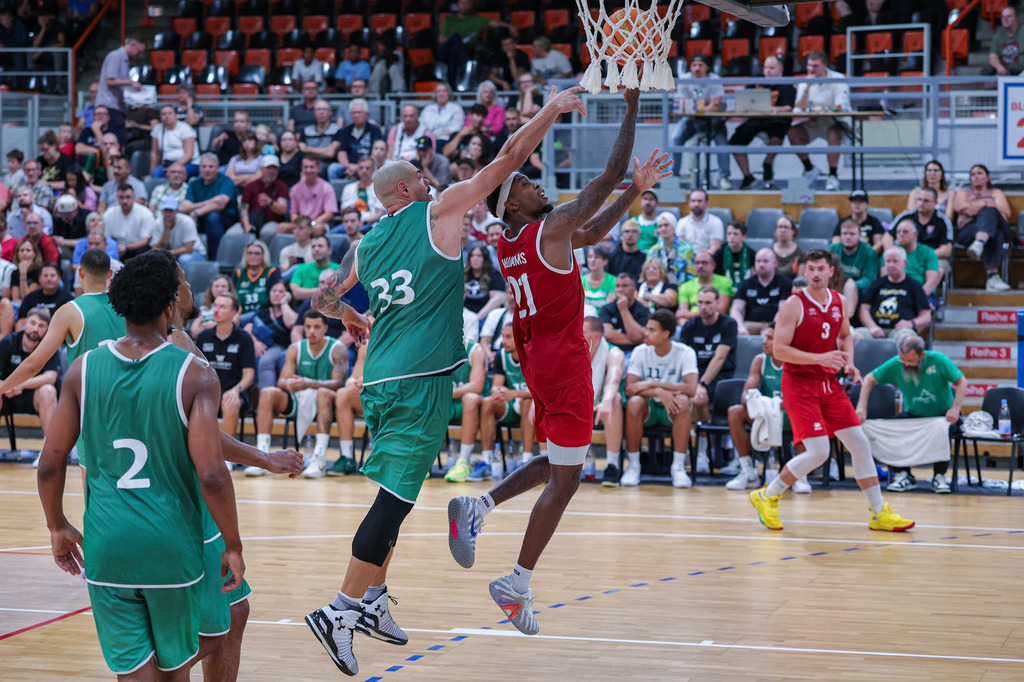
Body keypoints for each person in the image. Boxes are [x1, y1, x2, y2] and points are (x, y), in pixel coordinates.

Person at [304, 85, 587, 672]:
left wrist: (354, 316)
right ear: (405, 189)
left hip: (380, 378)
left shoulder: (366, 241)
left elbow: (324, 297)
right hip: (418, 379)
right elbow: (510, 157)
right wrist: (551, 112)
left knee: (395, 499)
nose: (430, 178)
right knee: (393, 504)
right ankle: (340, 609)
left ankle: (375, 597)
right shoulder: (438, 211)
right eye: (421, 174)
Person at [446, 89, 671, 635]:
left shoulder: (513, 240)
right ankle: (515, 583)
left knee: (557, 460)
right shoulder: (548, 227)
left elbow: (591, 230)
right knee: (569, 479)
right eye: (524, 183)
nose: (535, 183)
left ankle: (481, 508)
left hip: (536, 356)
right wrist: (634, 105)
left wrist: (634, 193)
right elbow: (608, 172)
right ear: (513, 205)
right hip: (563, 359)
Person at [37, 251, 246, 679]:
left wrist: (57, 526)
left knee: (134, 671)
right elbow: (210, 473)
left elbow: (49, 465)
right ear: (170, 303)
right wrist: (233, 544)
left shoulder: (82, 369)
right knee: (178, 663)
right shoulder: (194, 373)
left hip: (107, 545)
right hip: (170, 544)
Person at [749, 249, 914, 532]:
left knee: (860, 443)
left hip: (829, 384)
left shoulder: (840, 301)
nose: (815, 274)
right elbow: (779, 350)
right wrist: (820, 358)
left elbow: (845, 336)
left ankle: (878, 512)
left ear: (830, 271)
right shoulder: (793, 304)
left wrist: (849, 362)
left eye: (820, 269)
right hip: (799, 384)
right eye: (810, 269)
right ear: (804, 271)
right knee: (819, 452)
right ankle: (768, 494)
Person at [857, 334, 967, 495]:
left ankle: (939, 476)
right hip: (914, 414)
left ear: (922, 355)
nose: (906, 364)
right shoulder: (897, 363)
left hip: (942, 415)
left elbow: (962, 382)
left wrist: (955, 409)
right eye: (903, 360)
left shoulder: (938, 360)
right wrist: (861, 407)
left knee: (942, 428)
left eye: (910, 360)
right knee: (892, 427)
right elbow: (868, 380)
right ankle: (903, 474)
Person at [249, 310, 346, 478]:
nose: (312, 331)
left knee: (323, 392)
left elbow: (338, 383)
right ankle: (262, 457)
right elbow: (281, 381)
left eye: (316, 327)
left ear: (326, 328)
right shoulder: (295, 348)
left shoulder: (338, 348)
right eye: (308, 327)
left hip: (327, 402)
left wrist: (309, 383)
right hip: (299, 398)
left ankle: (319, 458)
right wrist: (290, 383)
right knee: (267, 393)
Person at [723, 322, 811, 492]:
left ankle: (801, 475)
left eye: (770, 338)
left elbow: (802, 398)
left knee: (805, 414)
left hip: (789, 416)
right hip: (766, 414)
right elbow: (745, 397)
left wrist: (777, 406)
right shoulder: (760, 361)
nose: (764, 342)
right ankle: (748, 471)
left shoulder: (799, 362)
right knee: (735, 412)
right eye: (765, 337)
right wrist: (761, 403)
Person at [621, 309, 698, 488]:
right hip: (648, 409)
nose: (646, 333)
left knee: (684, 401)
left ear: (666, 334)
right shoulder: (640, 351)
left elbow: (691, 388)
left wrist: (654, 384)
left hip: (672, 410)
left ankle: (678, 467)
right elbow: (630, 388)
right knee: (634, 402)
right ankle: (633, 465)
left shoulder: (685, 352)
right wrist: (658, 392)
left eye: (652, 330)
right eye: (647, 329)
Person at [680, 285, 738, 472]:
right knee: (697, 399)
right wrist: (696, 385)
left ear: (718, 303)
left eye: (708, 303)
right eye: (700, 303)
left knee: (701, 395)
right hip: (695, 375)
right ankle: (703, 454)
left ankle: (725, 453)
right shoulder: (690, 326)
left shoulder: (728, 324)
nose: (703, 307)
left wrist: (702, 384)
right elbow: (684, 358)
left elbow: (719, 358)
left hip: (722, 377)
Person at [787, 51, 851, 192]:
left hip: (837, 122)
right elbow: (798, 109)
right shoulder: (805, 82)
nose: (811, 69)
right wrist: (807, 88)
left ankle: (833, 176)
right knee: (793, 132)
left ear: (824, 66)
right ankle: (810, 169)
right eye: (809, 66)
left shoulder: (838, 78)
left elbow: (841, 107)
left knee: (834, 134)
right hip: (815, 122)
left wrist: (822, 110)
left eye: (815, 66)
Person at [731, 56, 796, 189]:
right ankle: (747, 177)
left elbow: (788, 108)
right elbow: (744, 101)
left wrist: (773, 109)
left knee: (777, 136)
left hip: (775, 120)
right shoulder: (756, 81)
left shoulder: (787, 85)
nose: (768, 71)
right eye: (766, 67)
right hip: (755, 119)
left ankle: (767, 165)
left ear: (780, 69)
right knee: (735, 142)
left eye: (772, 68)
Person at [196, 293, 255, 440]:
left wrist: (236, 390)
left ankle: (227, 460)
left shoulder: (244, 338)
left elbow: (249, 374)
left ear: (233, 313)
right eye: (215, 306)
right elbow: (195, 371)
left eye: (222, 307)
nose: (216, 310)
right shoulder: (203, 337)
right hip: (208, 391)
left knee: (229, 402)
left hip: (234, 391)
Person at [0, 306, 59, 452]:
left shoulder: (49, 346)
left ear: (46, 329)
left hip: (32, 396)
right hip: (6, 396)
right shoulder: (8, 341)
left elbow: (51, 376)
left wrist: (22, 384)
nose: (35, 329)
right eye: (32, 323)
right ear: (25, 323)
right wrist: (6, 387)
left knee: (48, 390)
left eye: (41, 326)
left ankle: (49, 452)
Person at [671, 54, 731, 190]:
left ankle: (724, 178)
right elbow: (682, 104)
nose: (697, 68)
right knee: (675, 139)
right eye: (694, 65)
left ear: (707, 67)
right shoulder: (684, 80)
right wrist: (702, 108)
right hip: (691, 119)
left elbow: (716, 105)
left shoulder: (714, 80)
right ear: (690, 67)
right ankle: (673, 177)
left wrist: (696, 108)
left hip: (712, 119)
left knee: (722, 143)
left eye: (700, 65)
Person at [951, 163, 1013, 292]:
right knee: (995, 233)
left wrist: (982, 207)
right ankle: (993, 278)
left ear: (987, 178)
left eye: (979, 173)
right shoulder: (963, 193)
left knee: (990, 212)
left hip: (1004, 236)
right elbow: (960, 207)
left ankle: (979, 243)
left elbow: (1006, 213)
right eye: (972, 174)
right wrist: (986, 204)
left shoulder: (996, 192)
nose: (975, 177)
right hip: (967, 233)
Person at [857, 247, 931, 341]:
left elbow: (926, 316)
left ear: (904, 263)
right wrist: (872, 326)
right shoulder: (876, 284)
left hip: (899, 330)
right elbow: (864, 309)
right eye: (888, 261)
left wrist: (911, 323)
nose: (891, 265)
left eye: (895, 261)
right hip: (876, 329)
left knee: (906, 338)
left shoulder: (914, 286)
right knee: (855, 336)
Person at [440, 339, 488, 483]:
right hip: (448, 402)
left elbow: (477, 386)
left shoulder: (475, 351)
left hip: (469, 403)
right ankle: (422, 462)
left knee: (470, 398)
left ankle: (463, 461)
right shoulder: (437, 348)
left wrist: (451, 392)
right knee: (425, 400)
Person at [179, 153, 237, 260]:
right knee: (181, 218)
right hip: (200, 219)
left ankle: (215, 259)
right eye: (204, 166)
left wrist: (196, 212)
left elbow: (219, 205)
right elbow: (184, 208)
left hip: (225, 219)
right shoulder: (194, 184)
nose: (207, 170)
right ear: (199, 169)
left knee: (213, 217)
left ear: (217, 169)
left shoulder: (225, 181)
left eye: (211, 167)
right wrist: (209, 201)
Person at [730, 248, 793, 336]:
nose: (761, 265)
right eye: (758, 261)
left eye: (765, 261)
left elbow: (783, 310)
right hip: (750, 324)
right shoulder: (746, 283)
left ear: (775, 263)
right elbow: (736, 309)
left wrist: (772, 328)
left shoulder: (785, 283)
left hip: (773, 324)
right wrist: (740, 326)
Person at [95, 37, 146, 135]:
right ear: (132, 45)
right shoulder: (116, 56)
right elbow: (110, 81)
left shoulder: (124, 60)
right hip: (109, 106)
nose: (139, 55)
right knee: (113, 138)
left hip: (117, 107)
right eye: (139, 51)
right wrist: (131, 82)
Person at [829, 218, 880, 313]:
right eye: (844, 234)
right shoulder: (832, 250)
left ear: (859, 236)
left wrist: (849, 286)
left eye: (852, 234)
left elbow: (870, 278)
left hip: (857, 289)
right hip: (835, 287)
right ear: (840, 235)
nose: (848, 237)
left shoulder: (869, 253)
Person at [240, 155, 290, 245]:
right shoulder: (251, 186)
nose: (271, 171)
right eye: (268, 168)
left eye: (274, 168)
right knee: (232, 234)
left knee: (267, 232)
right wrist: (247, 225)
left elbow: (283, 209)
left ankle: (263, 257)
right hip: (252, 221)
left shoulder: (281, 186)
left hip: (272, 222)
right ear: (261, 169)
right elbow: (243, 208)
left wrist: (270, 203)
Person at [331, 99, 383, 180]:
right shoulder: (344, 131)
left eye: (359, 112)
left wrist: (360, 167)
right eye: (354, 113)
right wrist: (349, 166)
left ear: (367, 115)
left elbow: (375, 154)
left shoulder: (374, 130)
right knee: (333, 168)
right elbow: (341, 153)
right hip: (349, 166)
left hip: (368, 165)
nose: (356, 115)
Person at [891, 218, 941, 301]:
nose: (901, 234)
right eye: (898, 232)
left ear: (915, 234)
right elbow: (885, 279)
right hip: (897, 293)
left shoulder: (928, 252)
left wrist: (917, 298)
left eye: (905, 232)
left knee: (927, 306)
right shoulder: (891, 254)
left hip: (922, 293)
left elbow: (931, 283)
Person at [600, 272, 650, 353]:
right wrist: (635, 340)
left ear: (634, 289)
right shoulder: (606, 309)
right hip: (611, 350)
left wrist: (624, 310)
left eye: (625, 286)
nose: (620, 290)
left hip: (634, 351)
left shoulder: (643, 310)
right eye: (618, 286)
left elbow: (638, 336)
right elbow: (608, 335)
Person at [676, 251, 733, 321]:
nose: (700, 266)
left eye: (704, 263)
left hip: (717, 322)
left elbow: (721, 310)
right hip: (693, 323)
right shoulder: (685, 286)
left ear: (713, 265)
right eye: (697, 263)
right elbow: (682, 313)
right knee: (682, 321)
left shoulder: (724, 282)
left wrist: (689, 314)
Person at [103, 183, 154, 260]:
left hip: (137, 249)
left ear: (134, 197)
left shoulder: (145, 213)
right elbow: (106, 238)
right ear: (117, 198)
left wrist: (126, 247)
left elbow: (145, 240)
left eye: (128, 197)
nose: (125, 201)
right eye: (121, 197)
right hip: (115, 248)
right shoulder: (109, 213)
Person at [150, 196, 205, 265]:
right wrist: (166, 230)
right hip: (173, 253)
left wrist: (167, 253)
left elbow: (189, 249)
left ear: (177, 211)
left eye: (171, 211)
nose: (168, 214)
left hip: (196, 252)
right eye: (166, 211)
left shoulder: (187, 221)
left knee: (183, 259)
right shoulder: (157, 223)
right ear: (161, 211)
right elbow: (157, 249)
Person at [16, 262, 73, 327]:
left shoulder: (68, 300)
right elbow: (20, 322)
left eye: (52, 275)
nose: (49, 279)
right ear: (39, 279)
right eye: (45, 276)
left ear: (59, 278)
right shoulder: (30, 297)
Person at [150, 105, 197, 179]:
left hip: (188, 163)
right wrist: (151, 172)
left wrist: (173, 167)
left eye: (170, 113)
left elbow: (189, 154)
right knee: (156, 172)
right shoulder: (157, 129)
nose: (167, 116)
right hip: (167, 164)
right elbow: (155, 153)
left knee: (176, 173)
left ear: (176, 116)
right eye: (164, 114)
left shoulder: (185, 128)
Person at [648, 211, 696, 285]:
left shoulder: (686, 249)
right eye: (660, 226)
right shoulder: (653, 251)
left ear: (673, 227)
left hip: (681, 288)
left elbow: (692, 275)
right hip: (659, 288)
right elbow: (649, 274)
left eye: (666, 225)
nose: (663, 229)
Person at [289, 157, 337, 230]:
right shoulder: (296, 188)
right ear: (302, 169)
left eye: (312, 167)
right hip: (301, 224)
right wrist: (300, 224)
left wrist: (311, 224)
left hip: (319, 223)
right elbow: (293, 213)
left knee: (318, 228)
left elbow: (329, 213)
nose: (308, 170)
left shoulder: (327, 187)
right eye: (306, 167)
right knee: (282, 228)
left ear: (318, 168)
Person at [832, 189, 885, 254]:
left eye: (861, 201)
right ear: (850, 204)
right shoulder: (843, 222)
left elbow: (878, 244)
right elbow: (835, 242)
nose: (857, 204)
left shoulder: (874, 222)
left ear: (867, 204)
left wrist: (866, 255)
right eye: (854, 201)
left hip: (867, 257)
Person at [234, 240, 278, 316]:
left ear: (264, 255)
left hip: (264, 316)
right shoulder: (238, 274)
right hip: (241, 316)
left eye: (257, 253)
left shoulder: (271, 273)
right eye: (249, 253)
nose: (253, 256)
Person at [675, 188, 723, 255]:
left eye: (699, 201)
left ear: (706, 203)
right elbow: (681, 246)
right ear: (689, 203)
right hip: (687, 260)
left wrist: (700, 259)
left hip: (707, 260)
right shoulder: (682, 222)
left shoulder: (716, 222)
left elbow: (715, 247)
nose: (696, 204)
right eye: (693, 201)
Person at [464, 244, 506, 320]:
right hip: (465, 316)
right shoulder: (464, 274)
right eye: (472, 256)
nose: (475, 259)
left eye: (479, 256)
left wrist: (477, 318)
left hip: (486, 317)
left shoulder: (494, 275)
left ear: (485, 258)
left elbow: (498, 298)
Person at [339, 156, 385, 225]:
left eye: (367, 168)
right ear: (357, 170)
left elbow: (380, 213)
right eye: (361, 168)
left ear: (373, 170)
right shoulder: (348, 188)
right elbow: (344, 211)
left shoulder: (379, 187)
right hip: (351, 224)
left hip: (371, 223)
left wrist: (365, 222)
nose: (364, 171)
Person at [290, 234, 336, 303]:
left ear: (329, 250)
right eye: (313, 247)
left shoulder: (339, 270)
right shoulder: (301, 268)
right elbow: (296, 293)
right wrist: (324, 290)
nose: (316, 249)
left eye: (320, 246)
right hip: (304, 311)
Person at [421, 82, 465, 148]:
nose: (441, 94)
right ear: (435, 94)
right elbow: (421, 124)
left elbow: (456, 127)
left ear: (448, 94)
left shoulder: (456, 108)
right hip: (427, 138)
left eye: (444, 91)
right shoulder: (428, 108)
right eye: (438, 91)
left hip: (445, 140)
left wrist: (437, 136)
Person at [714, 220, 754, 288]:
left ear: (744, 237)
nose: (732, 237)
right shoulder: (719, 254)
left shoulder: (751, 254)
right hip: (724, 289)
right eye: (729, 233)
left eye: (735, 234)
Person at [987, 6, 1024, 76]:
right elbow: (993, 57)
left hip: (1021, 70)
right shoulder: (998, 35)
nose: (1005, 19)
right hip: (1005, 69)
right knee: (987, 70)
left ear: (1016, 18)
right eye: (1003, 17)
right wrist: (999, 68)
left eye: (1009, 17)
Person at [772, 214, 806, 279]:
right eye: (780, 227)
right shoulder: (769, 253)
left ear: (793, 231)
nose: (782, 230)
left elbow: (800, 281)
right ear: (776, 231)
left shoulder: (801, 253)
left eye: (786, 227)